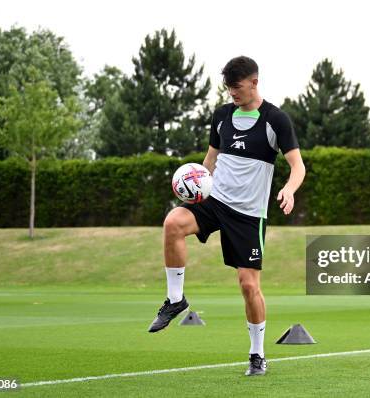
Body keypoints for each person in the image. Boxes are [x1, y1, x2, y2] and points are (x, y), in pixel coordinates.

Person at [148, 55, 305, 376]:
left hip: (249, 214)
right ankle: (175, 299)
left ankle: (257, 354)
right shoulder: (221, 116)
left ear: (254, 82)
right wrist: (193, 186)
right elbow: (210, 160)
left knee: (248, 285)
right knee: (173, 222)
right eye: (228, 88)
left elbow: (297, 165)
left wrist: (289, 189)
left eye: (237, 87)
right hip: (215, 199)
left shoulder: (276, 120)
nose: (232, 93)